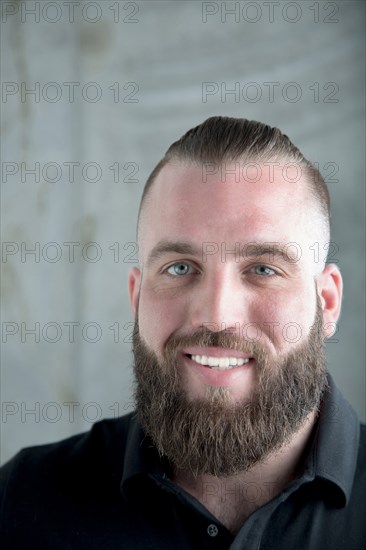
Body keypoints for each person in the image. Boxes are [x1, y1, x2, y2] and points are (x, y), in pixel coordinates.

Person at [0, 116, 364, 549]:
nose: (216, 316)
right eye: (179, 268)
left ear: (327, 302)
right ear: (137, 298)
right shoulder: (22, 503)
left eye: (263, 269)